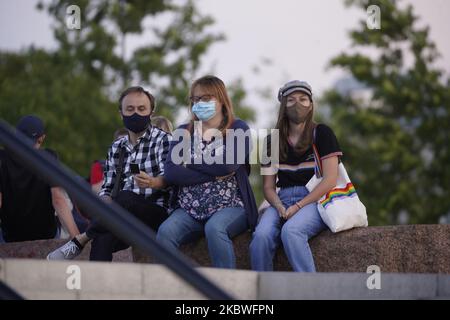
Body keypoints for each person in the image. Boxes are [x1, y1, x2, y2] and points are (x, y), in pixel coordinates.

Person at [47, 86, 172, 261]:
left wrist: (152, 182)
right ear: (121, 113)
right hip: (123, 216)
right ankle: (95, 285)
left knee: (126, 197)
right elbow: (108, 188)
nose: (136, 113)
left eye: (141, 109)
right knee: (102, 235)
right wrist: (107, 202)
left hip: (155, 214)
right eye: (130, 109)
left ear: (151, 112)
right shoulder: (117, 147)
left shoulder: (164, 141)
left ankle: (81, 239)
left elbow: (170, 180)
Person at [156, 75, 258, 269]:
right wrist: (213, 173)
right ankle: (173, 286)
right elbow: (171, 173)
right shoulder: (184, 131)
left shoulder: (238, 128)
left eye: (205, 98)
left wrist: (188, 161)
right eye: (194, 99)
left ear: (221, 100)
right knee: (165, 232)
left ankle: (224, 291)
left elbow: (228, 165)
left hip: (230, 206)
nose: (198, 103)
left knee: (215, 228)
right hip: (188, 210)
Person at [250, 80, 342, 272]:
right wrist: (279, 207)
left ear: (310, 105)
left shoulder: (322, 133)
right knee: (261, 236)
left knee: (291, 231)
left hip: (315, 199)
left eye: (303, 99)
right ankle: (263, 294)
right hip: (281, 200)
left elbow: (330, 179)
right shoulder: (271, 141)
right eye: (290, 100)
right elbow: (268, 187)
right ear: (283, 106)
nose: (297, 104)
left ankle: (308, 292)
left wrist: (299, 206)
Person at [0, 115, 80, 242]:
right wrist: (77, 237)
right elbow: (58, 199)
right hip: (45, 235)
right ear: (42, 138)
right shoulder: (48, 158)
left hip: (11, 236)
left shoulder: (2, 158)